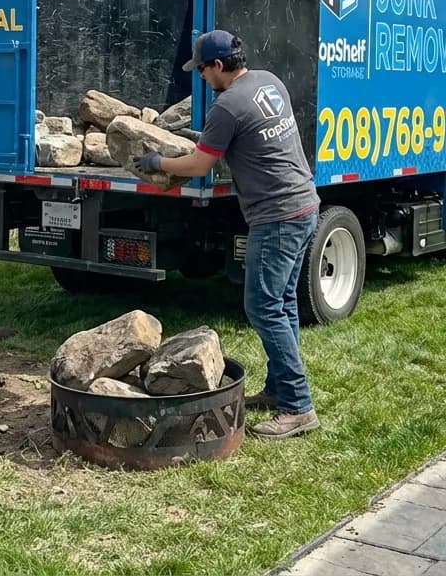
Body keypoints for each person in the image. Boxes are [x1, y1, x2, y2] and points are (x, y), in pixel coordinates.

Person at [136, 30, 320, 440]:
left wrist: (158, 159)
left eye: (201, 69)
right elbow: (241, 139)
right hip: (304, 204)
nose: (200, 77)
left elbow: (201, 166)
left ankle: (298, 407)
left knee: (263, 307)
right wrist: (201, 141)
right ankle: (279, 388)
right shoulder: (268, 81)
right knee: (283, 303)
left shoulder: (228, 104)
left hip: (277, 216)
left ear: (218, 66)